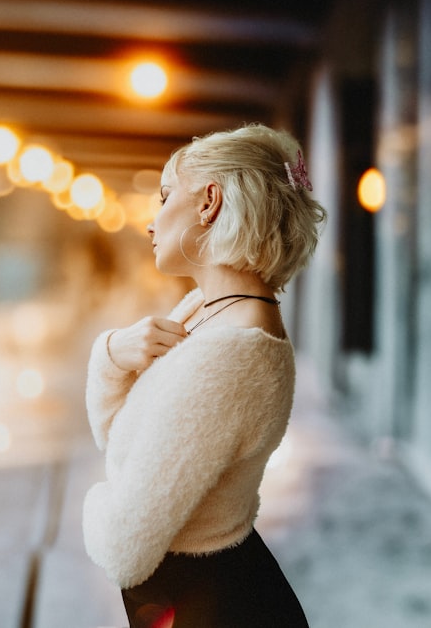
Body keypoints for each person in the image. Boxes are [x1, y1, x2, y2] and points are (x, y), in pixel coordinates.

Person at [82, 124, 326, 627]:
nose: (151, 223)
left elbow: (125, 549)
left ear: (209, 201)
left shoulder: (229, 355)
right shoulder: (206, 312)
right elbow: (121, 442)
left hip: (211, 607)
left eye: (165, 196)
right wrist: (110, 355)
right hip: (208, 594)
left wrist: (93, 501)